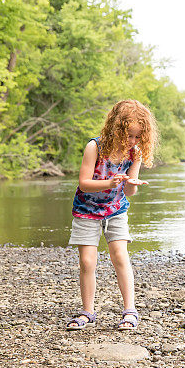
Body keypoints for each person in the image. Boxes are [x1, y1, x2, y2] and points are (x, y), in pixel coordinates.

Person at [65, 99, 158, 331]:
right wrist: (109, 182)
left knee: (120, 255)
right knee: (87, 261)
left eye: (138, 137)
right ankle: (87, 312)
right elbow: (84, 184)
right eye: (129, 135)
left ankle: (130, 310)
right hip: (86, 209)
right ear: (116, 128)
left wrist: (132, 184)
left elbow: (128, 191)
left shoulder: (134, 152)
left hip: (116, 209)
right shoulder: (94, 147)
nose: (133, 141)